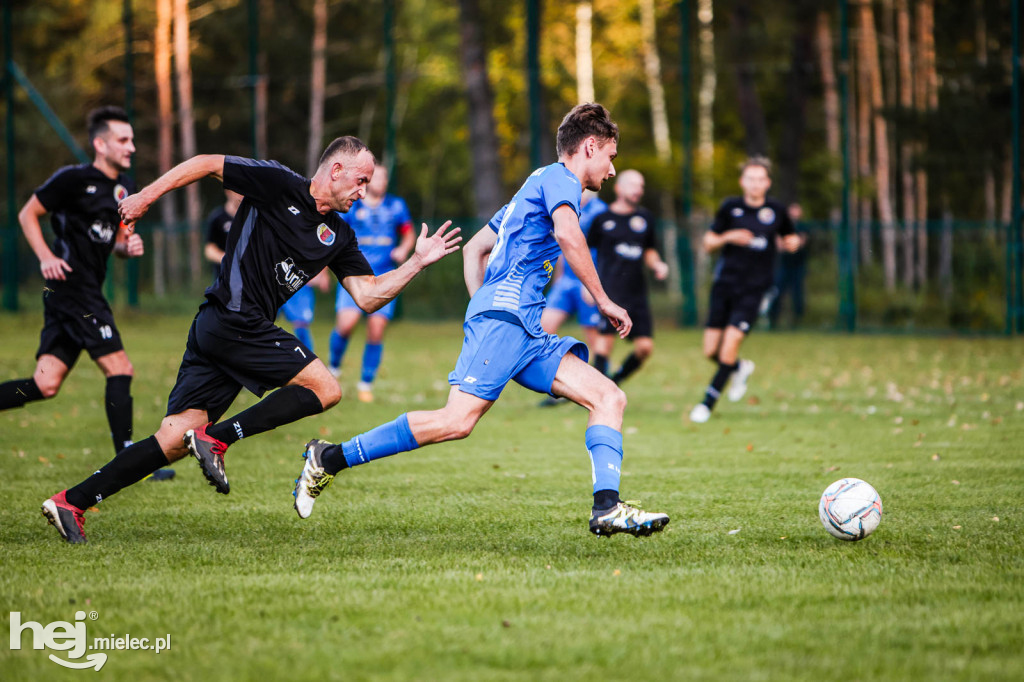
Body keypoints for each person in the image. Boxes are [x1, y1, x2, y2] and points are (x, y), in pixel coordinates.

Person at [40, 136, 461, 543]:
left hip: (225, 333)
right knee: (325, 387)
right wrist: (146, 197)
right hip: (231, 320)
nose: (364, 192)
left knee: (171, 441)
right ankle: (218, 438)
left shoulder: (338, 235)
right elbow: (205, 163)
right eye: (361, 181)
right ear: (336, 171)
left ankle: (69, 502)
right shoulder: (278, 184)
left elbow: (368, 295)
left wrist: (417, 262)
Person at [292, 103, 670, 538]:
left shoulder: (537, 182)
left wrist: (482, 308)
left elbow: (474, 249)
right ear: (589, 147)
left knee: (609, 398)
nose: (611, 169)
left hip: (524, 328)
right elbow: (567, 235)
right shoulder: (560, 181)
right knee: (456, 421)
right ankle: (328, 458)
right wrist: (601, 300)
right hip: (509, 320)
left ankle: (607, 508)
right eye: (611, 156)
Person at [0, 106, 173, 479]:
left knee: (45, 384)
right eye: (123, 140)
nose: (131, 147)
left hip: (76, 293)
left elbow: (113, 239)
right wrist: (46, 257)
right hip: (74, 290)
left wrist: (127, 248)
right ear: (100, 143)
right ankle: (129, 458)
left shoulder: (122, 188)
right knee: (120, 368)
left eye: (132, 140)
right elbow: (27, 214)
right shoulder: (73, 180)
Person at [689, 157, 800, 424]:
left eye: (761, 179)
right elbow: (707, 242)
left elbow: (791, 238)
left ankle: (707, 404)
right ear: (742, 182)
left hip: (755, 290)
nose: (755, 183)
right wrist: (730, 236)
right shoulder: (730, 207)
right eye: (750, 178)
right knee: (710, 351)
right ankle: (740, 368)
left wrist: (791, 243)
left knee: (729, 345)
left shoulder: (776, 210)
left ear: (768, 183)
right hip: (724, 286)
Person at [326, 163, 415, 402]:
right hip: (354, 276)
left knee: (376, 331)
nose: (381, 182)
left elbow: (408, 232)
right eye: (377, 178)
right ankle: (333, 367)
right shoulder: (353, 205)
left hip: (384, 276)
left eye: (385, 178)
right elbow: (334, 234)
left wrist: (403, 249)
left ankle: (366, 382)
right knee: (346, 325)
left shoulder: (396, 206)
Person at [587, 170, 668, 385]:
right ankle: (598, 391)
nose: (638, 190)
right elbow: (586, 254)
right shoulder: (602, 220)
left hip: (637, 293)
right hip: (610, 291)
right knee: (603, 345)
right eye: (632, 185)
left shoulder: (645, 219)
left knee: (644, 347)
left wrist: (657, 264)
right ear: (618, 188)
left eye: (640, 186)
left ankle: (614, 382)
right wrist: (586, 286)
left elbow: (649, 251)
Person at [535, 189, 606, 407]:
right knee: (543, 328)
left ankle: (598, 391)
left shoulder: (600, 212)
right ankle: (561, 384)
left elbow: (605, 251)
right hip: (566, 282)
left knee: (596, 342)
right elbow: (563, 245)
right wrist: (557, 279)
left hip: (587, 282)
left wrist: (595, 286)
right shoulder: (566, 207)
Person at [765, 202, 809, 329]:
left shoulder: (802, 226)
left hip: (798, 265)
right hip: (783, 266)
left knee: (797, 293)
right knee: (777, 291)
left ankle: (798, 321)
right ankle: (773, 320)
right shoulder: (781, 226)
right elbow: (779, 245)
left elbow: (801, 243)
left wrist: (791, 244)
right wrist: (788, 244)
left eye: (797, 210)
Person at [203, 189, 243, 283]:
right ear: (228, 192)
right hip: (224, 279)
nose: (241, 195)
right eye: (238, 191)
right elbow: (209, 250)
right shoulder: (218, 218)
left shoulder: (252, 217)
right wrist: (229, 260)